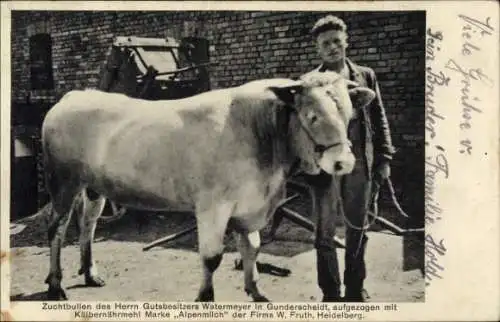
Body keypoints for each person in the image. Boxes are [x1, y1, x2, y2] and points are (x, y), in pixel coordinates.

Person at [301, 15, 395, 302]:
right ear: (318, 48)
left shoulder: (365, 76)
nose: (332, 47)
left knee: (358, 228)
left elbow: (379, 118)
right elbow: (303, 126)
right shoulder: (309, 82)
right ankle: (330, 293)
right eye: (325, 43)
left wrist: (384, 157)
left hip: (361, 165)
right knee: (324, 233)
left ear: (346, 43)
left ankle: (355, 289)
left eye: (336, 42)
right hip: (325, 167)